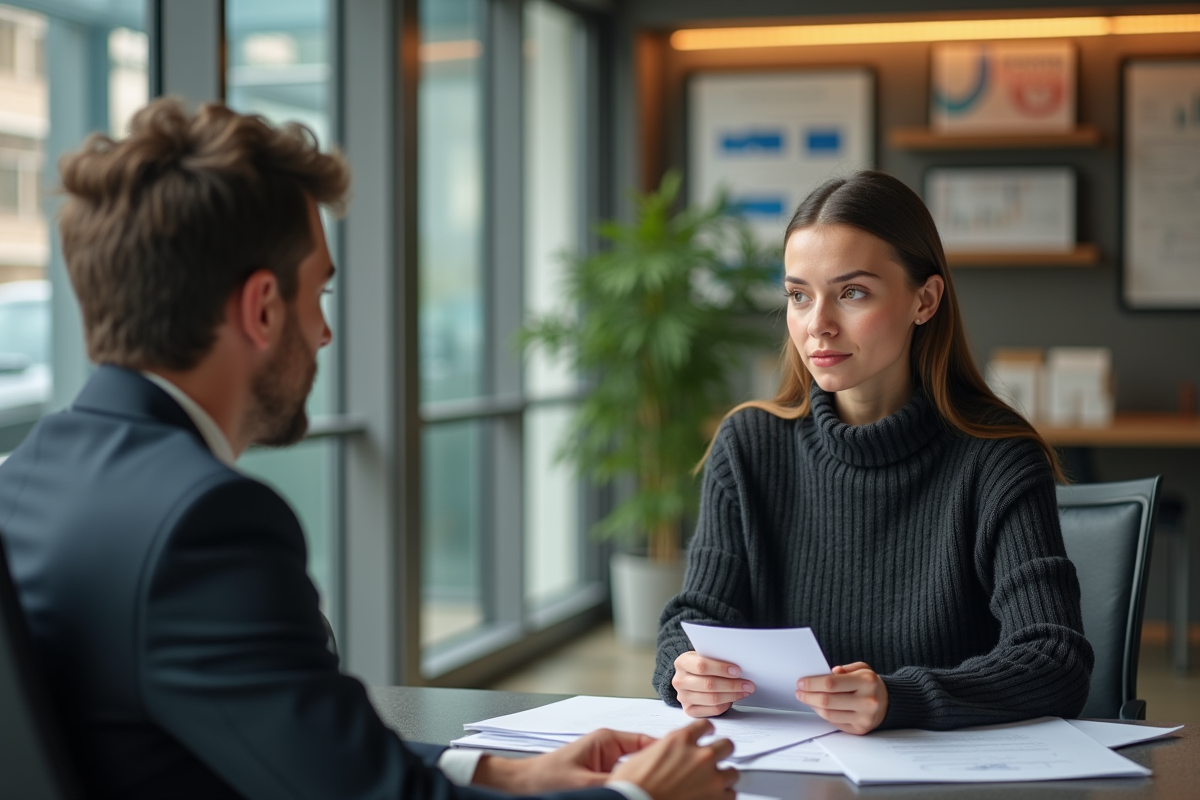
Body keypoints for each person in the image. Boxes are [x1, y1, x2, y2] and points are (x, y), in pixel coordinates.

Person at [0, 99, 738, 800]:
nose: (323, 333)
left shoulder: (30, 476)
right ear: (261, 308)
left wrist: (501, 773)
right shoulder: (205, 523)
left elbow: (297, 755)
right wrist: (636, 793)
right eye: (318, 294)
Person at [654, 170, 1094, 735]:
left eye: (852, 292)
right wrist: (682, 670)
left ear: (924, 300)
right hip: (784, 775)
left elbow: (1056, 660)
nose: (818, 326)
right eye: (798, 296)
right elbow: (693, 619)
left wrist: (901, 698)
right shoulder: (748, 447)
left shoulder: (997, 458)